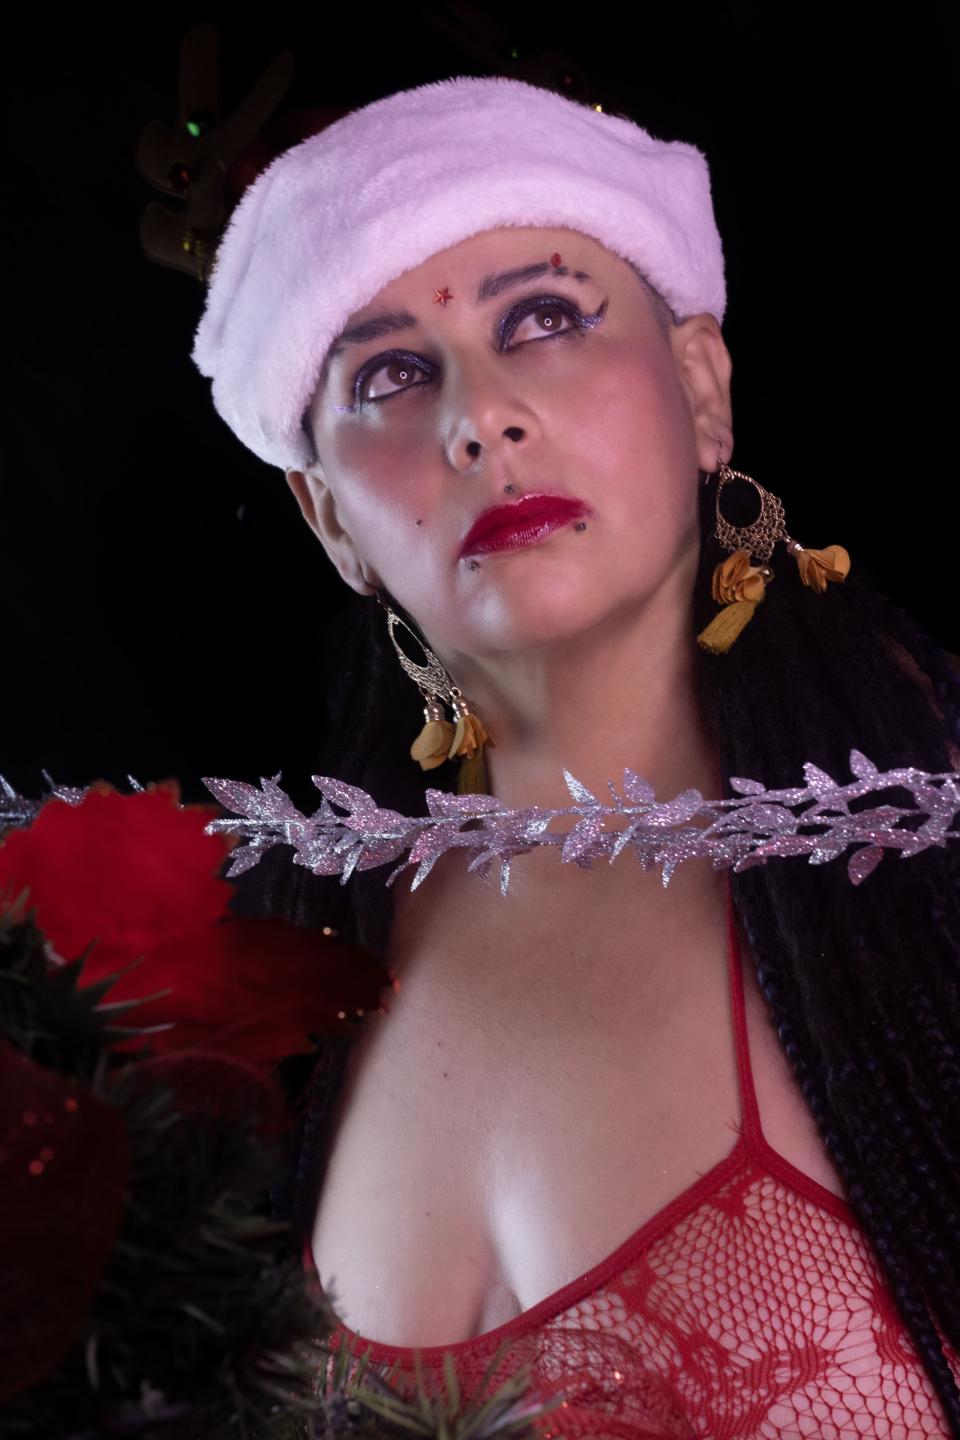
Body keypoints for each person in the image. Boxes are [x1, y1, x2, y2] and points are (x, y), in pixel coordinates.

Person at [191, 76, 960, 1438]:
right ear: (329, 520)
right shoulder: (274, 975)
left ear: (703, 385)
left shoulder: (931, 863)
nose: (478, 418)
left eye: (543, 319)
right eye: (391, 375)